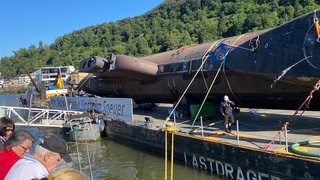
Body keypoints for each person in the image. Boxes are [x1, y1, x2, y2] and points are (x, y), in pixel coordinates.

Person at [5, 134, 72, 180]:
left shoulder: (24, 159)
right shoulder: (39, 172)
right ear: (47, 157)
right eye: (58, 160)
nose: (58, 164)